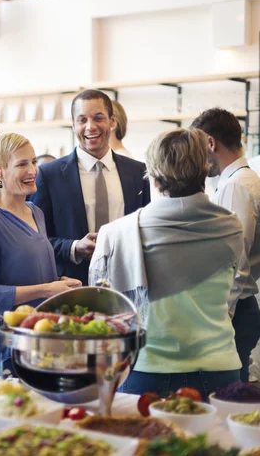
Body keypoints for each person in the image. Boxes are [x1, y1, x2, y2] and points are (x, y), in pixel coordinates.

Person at [90, 128, 243, 400]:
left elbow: (105, 313)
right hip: (219, 368)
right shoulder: (231, 227)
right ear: (205, 168)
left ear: (155, 179)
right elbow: (232, 292)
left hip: (145, 370)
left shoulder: (115, 234)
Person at [0, 133, 82, 374]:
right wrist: (48, 290)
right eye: (21, 164)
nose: (32, 170)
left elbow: (34, 274)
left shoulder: (35, 212)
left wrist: (60, 284)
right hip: (10, 348)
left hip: (45, 341)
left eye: (33, 162)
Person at [30, 89, 150, 285]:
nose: (90, 127)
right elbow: (36, 239)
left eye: (98, 118)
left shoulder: (137, 172)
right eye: (82, 120)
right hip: (74, 284)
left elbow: (145, 229)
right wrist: (74, 247)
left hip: (128, 280)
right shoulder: (49, 175)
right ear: (73, 125)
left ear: (112, 121)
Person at [192, 108, 260, 383]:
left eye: (198, 147)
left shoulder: (236, 186)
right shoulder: (241, 180)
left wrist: (222, 313)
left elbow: (235, 258)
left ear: (211, 143)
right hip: (239, 307)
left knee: (230, 395)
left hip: (235, 309)